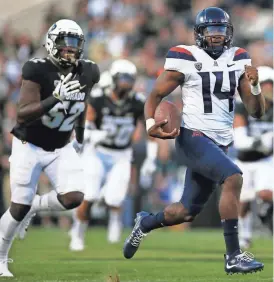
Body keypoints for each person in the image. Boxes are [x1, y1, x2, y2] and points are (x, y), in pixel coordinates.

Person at [123, 7, 265, 275]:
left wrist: (255, 86)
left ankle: (145, 223)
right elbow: (154, 95)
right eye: (211, 30)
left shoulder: (238, 58)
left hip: (220, 142)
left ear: (229, 32)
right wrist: (151, 123)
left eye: (221, 30)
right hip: (192, 137)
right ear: (200, 33)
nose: (216, 35)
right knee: (233, 176)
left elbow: (256, 111)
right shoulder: (185, 57)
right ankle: (233, 256)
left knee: (185, 212)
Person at [0, 19, 100, 277]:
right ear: (51, 44)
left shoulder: (88, 71)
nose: (69, 50)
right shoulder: (37, 69)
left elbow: (82, 102)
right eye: (64, 44)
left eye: (74, 45)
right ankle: (0, 256)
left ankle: (37, 206)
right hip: (29, 144)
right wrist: (54, 98)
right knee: (18, 206)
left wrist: (79, 133)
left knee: (74, 197)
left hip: (60, 146)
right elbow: (22, 115)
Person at [69, 59, 158, 251]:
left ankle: (115, 220)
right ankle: (78, 232)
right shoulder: (98, 98)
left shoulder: (137, 102)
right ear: (115, 78)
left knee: (115, 199)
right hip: (97, 152)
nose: (127, 82)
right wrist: (93, 134)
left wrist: (151, 158)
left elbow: (150, 130)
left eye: (130, 78)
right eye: (123, 78)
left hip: (122, 154)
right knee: (89, 195)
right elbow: (83, 127)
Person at [234, 66, 273, 249]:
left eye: (271, 85)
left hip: (266, 160)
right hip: (245, 160)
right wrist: (259, 142)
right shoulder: (243, 107)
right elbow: (239, 140)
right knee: (243, 202)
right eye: (266, 85)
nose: (269, 90)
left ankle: (266, 214)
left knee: (265, 194)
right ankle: (245, 235)